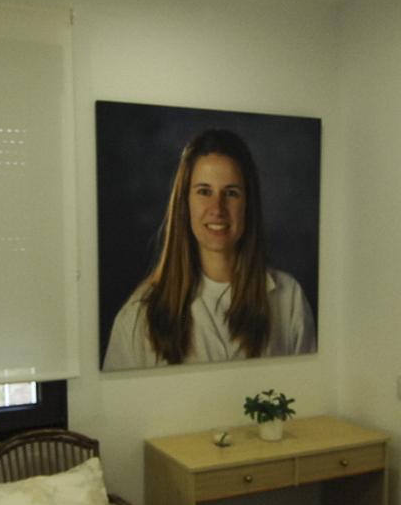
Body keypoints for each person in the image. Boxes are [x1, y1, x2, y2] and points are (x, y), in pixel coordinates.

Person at [102, 128, 315, 370]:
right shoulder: (137, 316)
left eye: (231, 193)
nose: (218, 208)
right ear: (185, 202)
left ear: (248, 204)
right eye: (204, 191)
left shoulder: (289, 300)